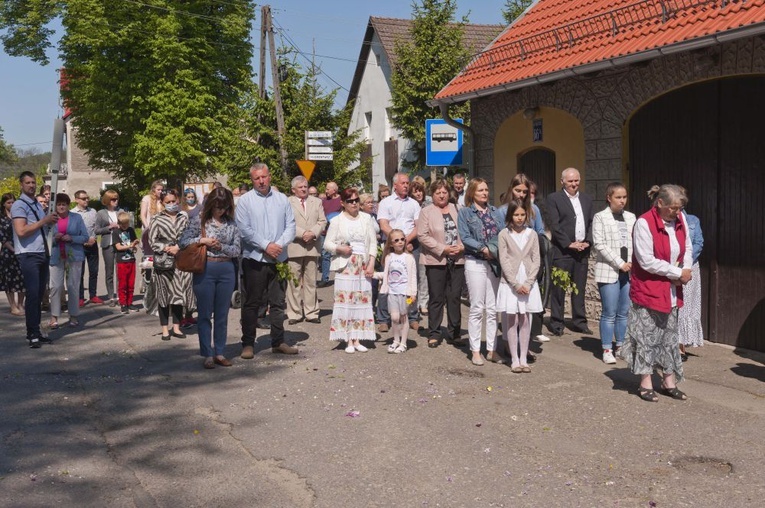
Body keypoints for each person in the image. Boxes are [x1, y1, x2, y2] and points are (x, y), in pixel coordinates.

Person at [621, 184, 692, 402]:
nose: (676, 212)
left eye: (679, 208)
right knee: (647, 338)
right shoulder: (644, 223)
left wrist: (686, 269)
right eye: (672, 208)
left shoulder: (681, 220)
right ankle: (645, 382)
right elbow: (646, 260)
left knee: (670, 338)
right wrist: (677, 272)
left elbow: (687, 246)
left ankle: (669, 381)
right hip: (649, 289)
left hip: (671, 289)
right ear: (659, 203)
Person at [236, 163, 297, 359]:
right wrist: (265, 245)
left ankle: (278, 341)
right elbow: (244, 229)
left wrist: (277, 245)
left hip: (279, 258)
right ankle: (248, 343)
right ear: (252, 180)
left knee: (278, 303)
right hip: (255, 258)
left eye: (264, 177)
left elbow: (291, 226)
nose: (261, 181)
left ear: (269, 177)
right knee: (252, 303)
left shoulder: (282, 200)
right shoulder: (245, 201)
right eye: (256, 178)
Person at [180, 187, 241, 369]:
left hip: (226, 269)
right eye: (216, 207)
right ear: (210, 205)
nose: (220, 210)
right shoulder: (199, 220)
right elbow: (183, 242)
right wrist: (203, 241)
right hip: (204, 268)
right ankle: (207, 353)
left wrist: (220, 246)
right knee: (205, 314)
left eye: (223, 207)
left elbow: (237, 250)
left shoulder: (232, 223)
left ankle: (220, 352)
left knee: (222, 315)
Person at [457, 178, 505, 366]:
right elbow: (465, 236)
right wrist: (482, 249)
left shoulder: (495, 212)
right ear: (472, 193)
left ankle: (492, 350)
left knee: (493, 309)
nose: (485, 193)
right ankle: (475, 350)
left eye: (486, 189)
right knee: (477, 307)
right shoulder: (465, 213)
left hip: (493, 263)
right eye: (480, 190)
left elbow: (503, 233)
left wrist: (496, 251)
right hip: (475, 261)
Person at [325, 188, 377, 353]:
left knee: (361, 300)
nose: (354, 203)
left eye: (356, 200)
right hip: (346, 264)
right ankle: (348, 339)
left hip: (363, 264)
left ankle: (358, 337)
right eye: (350, 201)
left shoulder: (366, 218)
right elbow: (327, 244)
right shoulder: (337, 221)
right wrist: (340, 249)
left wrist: (371, 263)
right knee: (346, 301)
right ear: (343, 203)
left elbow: (373, 243)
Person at [11, 172, 58, 347]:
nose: (31, 185)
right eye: (28, 183)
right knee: (32, 294)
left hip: (42, 252)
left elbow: (41, 226)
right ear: (21, 185)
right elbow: (21, 231)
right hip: (28, 253)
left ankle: (36, 330)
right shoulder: (19, 205)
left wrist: (49, 222)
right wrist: (44, 221)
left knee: (38, 295)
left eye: (33, 182)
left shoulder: (37, 205)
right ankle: (31, 334)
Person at [416, 178, 464, 348]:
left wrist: (461, 247)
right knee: (436, 298)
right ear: (432, 194)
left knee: (454, 297)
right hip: (435, 260)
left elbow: (465, 231)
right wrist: (442, 248)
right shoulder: (427, 211)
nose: (442, 195)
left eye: (444, 192)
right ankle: (434, 333)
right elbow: (422, 235)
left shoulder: (457, 209)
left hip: (457, 259)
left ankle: (454, 333)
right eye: (438, 193)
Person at [546, 168, 594, 336]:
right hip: (563, 251)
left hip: (582, 251)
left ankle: (579, 322)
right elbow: (555, 224)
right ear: (562, 182)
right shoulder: (554, 199)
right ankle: (557, 322)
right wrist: (569, 244)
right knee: (559, 288)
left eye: (576, 181)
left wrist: (587, 242)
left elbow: (590, 222)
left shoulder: (587, 199)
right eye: (570, 181)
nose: (574, 184)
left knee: (579, 288)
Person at [498, 200, 543, 373]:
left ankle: (524, 357)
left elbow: (536, 260)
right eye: (516, 214)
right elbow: (504, 259)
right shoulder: (504, 234)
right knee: (512, 319)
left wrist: (529, 282)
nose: (519, 218)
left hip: (528, 282)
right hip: (511, 282)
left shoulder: (532, 234)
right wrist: (515, 284)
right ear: (510, 215)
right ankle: (514, 358)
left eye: (522, 215)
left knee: (525, 319)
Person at [593, 183, 636, 364]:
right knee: (609, 312)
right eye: (618, 197)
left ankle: (621, 346)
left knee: (624, 312)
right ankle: (607, 348)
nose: (622, 201)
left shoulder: (631, 217)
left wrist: (633, 263)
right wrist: (619, 263)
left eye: (624, 197)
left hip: (629, 270)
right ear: (609, 198)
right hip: (609, 270)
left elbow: (637, 241)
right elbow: (599, 244)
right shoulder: (600, 217)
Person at [377, 171, 421, 332]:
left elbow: (418, 226)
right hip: (390, 246)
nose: (406, 185)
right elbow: (383, 225)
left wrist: (406, 241)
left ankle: (412, 314)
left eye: (407, 183)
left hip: (410, 245)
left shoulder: (414, 204)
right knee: (387, 281)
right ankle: (383, 318)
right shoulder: (386, 202)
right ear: (395, 185)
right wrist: (397, 242)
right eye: (403, 183)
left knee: (411, 280)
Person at [149, 189, 194, 341]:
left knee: (179, 295)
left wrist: (179, 247)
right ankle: (164, 329)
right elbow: (152, 241)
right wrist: (165, 248)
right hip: (164, 263)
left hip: (181, 261)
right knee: (164, 296)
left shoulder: (184, 217)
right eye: (167, 202)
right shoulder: (157, 219)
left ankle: (176, 326)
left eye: (173, 201)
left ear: (178, 200)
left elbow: (189, 237)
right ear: (162, 203)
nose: (171, 204)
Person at [286, 175, 327, 325]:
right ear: (293, 189)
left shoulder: (316, 202)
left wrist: (313, 233)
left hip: (312, 246)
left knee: (311, 282)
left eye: (305, 186)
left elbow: (322, 221)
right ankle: (295, 313)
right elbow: (286, 222)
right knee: (293, 282)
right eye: (300, 187)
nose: (304, 189)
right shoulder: (287, 202)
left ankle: (311, 312)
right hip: (294, 246)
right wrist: (302, 233)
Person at [48, 193, 89, 329]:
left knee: (72, 286)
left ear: (68, 205)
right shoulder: (51, 219)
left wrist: (71, 238)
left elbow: (85, 237)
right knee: (56, 287)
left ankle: (73, 316)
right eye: (58, 204)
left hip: (74, 256)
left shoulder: (76, 218)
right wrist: (55, 238)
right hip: (56, 256)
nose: (61, 207)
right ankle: (54, 317)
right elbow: (45, 238)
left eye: (63, 204)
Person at [375, 229, 416, 353]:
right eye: (396, 240)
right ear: (391, 244)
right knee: (394, 317)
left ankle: (403, 343)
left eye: (402, 239)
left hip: (406, 293)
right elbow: (387, 274)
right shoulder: (389, 257)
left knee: (404, 316)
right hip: (392, 292)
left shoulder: (409, 258)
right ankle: (396, 340)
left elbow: (413, 276)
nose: (400, 242)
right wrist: (374, 274)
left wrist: (413, 293)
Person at [678, 191, 704, 360]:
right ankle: (674, 345)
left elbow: (698, 243)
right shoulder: (664, 220)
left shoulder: (693, 220)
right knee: (675, 306)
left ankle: (682, 345)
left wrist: (686, 263)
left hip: (689, 267)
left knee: (686, 305)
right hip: (671, 267)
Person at [71, 190, 103, 306]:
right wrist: (82, 241)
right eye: (84, 198)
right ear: (77, 200)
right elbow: (72, 230)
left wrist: (93, 238)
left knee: (94, 271)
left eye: (87, 198)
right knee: (80, 272)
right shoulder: (72, 213)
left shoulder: (93, 211)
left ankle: (93, 295)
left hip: (93, 244)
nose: (87, 200)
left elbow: (96, 227)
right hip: (79, 246)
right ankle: (80, 297)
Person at [94, 190, 122, 307]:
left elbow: (128, 225)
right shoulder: (101, 213)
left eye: (116, 199)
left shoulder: (121, 212)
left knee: (120, 271)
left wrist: (121, 226)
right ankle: (111, 296)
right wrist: (109, 227)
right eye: (113, 199)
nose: (115, 201)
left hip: (120, 244)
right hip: (107, 244)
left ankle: (121, 296)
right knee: (109, 271)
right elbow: (97, 230)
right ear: (107, 200)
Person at [1, 193, 25, 316]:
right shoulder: (1, 219)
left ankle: (21, 303)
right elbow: (3, 238)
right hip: (8, 252)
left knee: (22, 278)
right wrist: (12, 249)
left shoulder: (19, 215)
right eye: (8, 202)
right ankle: (13, 306)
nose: (11, 204)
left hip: (22, 248)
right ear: (4, 204)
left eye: (12, 202)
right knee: (9, 280)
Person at [409, 178, 430, 317]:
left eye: (420, 191)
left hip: (427, 244)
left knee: (424, 276)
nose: (418, 194)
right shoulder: (409, 205)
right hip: (414, 244)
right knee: (413, 275)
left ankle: (423, 303)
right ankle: (411, 304)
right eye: (415, 192)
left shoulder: (429, 204)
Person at [112, 212, 140, 314]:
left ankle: (130, 302)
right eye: (123, 224)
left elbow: (134, 241)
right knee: (122, 284)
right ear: (119, 223)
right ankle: (123, 303)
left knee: (131, 283)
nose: (125, 226)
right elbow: (118, 247)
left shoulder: (131, 230)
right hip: (121, 261)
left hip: (131, 259)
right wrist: (130, 246)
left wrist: (136, 242)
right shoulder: (116, 232)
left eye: (127, 224)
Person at [318, 181, 342, 288]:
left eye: (328, 189)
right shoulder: (323, 201)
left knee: (339, 254)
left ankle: (341, 277)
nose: (326, 191)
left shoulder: (341, 200)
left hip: (338, 232)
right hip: (325, 232)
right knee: (325, 255)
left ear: (334, 190)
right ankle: (325, 278)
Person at [140, 179, 165, 254]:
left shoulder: (162, 200)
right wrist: (148, 228)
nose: (160, 191)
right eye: (158, 190)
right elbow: (143, 215)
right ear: (153, 190)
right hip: (149, 228)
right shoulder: (147, 198)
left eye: (162, 190)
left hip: (161, 231)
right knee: (149, 253)